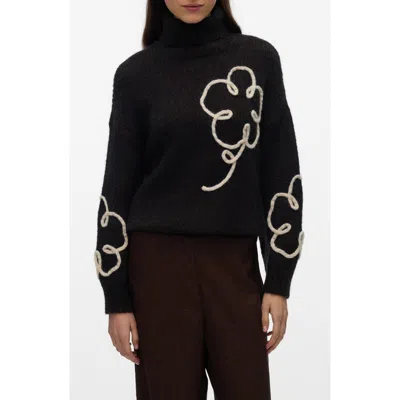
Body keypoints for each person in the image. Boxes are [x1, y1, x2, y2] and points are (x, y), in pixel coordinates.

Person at [94, 0, 305, 399]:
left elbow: (280, 172)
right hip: (157, 268)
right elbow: (117, 187)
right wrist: (116, 298)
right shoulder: (135, 76)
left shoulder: (258, 60)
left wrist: (279, 280)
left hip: (235, 266)